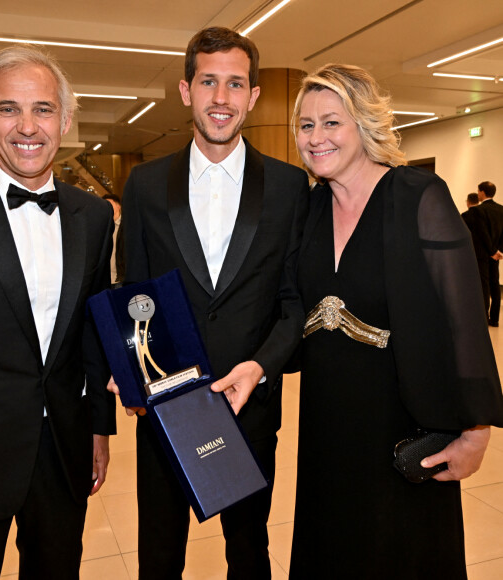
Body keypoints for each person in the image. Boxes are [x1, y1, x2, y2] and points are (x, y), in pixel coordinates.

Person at [287, 64, 503, 578]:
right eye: (306, 124)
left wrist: (475, 429)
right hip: (326, 421)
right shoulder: (310, 208)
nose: (316, 137)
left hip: (403, 420)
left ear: (363, 124)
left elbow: (464, 315)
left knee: (401, 551)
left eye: (331, 122)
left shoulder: (416, 195)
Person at [114, 26, 309, 580]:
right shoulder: (146, 185)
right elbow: (134, 293)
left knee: (249, 552)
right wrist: (132, 373)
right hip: (167, 408)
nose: (221, 98)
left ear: (253, 96)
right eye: (208, 82)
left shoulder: (292, 187)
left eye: (235, 84)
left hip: (251, 404)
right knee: (159, 551)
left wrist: (261, 366)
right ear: (185, 90)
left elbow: (295, 302)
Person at [0, 45, 116, 579]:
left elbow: (93, 336)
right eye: (9, 108)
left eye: (44, 109)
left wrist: (98, 430)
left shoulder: (94, 217)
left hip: (63, 453)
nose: (27, 126)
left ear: (66, 120)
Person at [471, 181, 503, 326]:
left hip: (483, 254)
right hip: (496, 255)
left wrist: (491, 251)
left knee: (484, 286)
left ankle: (484, 319)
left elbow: (482, 234)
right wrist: (498, 251)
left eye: (478, 191)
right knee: (495, 285)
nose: (477, 194)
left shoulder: (478, 210)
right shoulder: (502, 209)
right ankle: (495, 319)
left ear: (482, 192)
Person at [103, 193, 122, 285]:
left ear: (118, 206)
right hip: (104, 279)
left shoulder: (127, 227)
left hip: (120, 278)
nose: (107, 208)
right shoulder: (101, 228)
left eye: (110, 204)